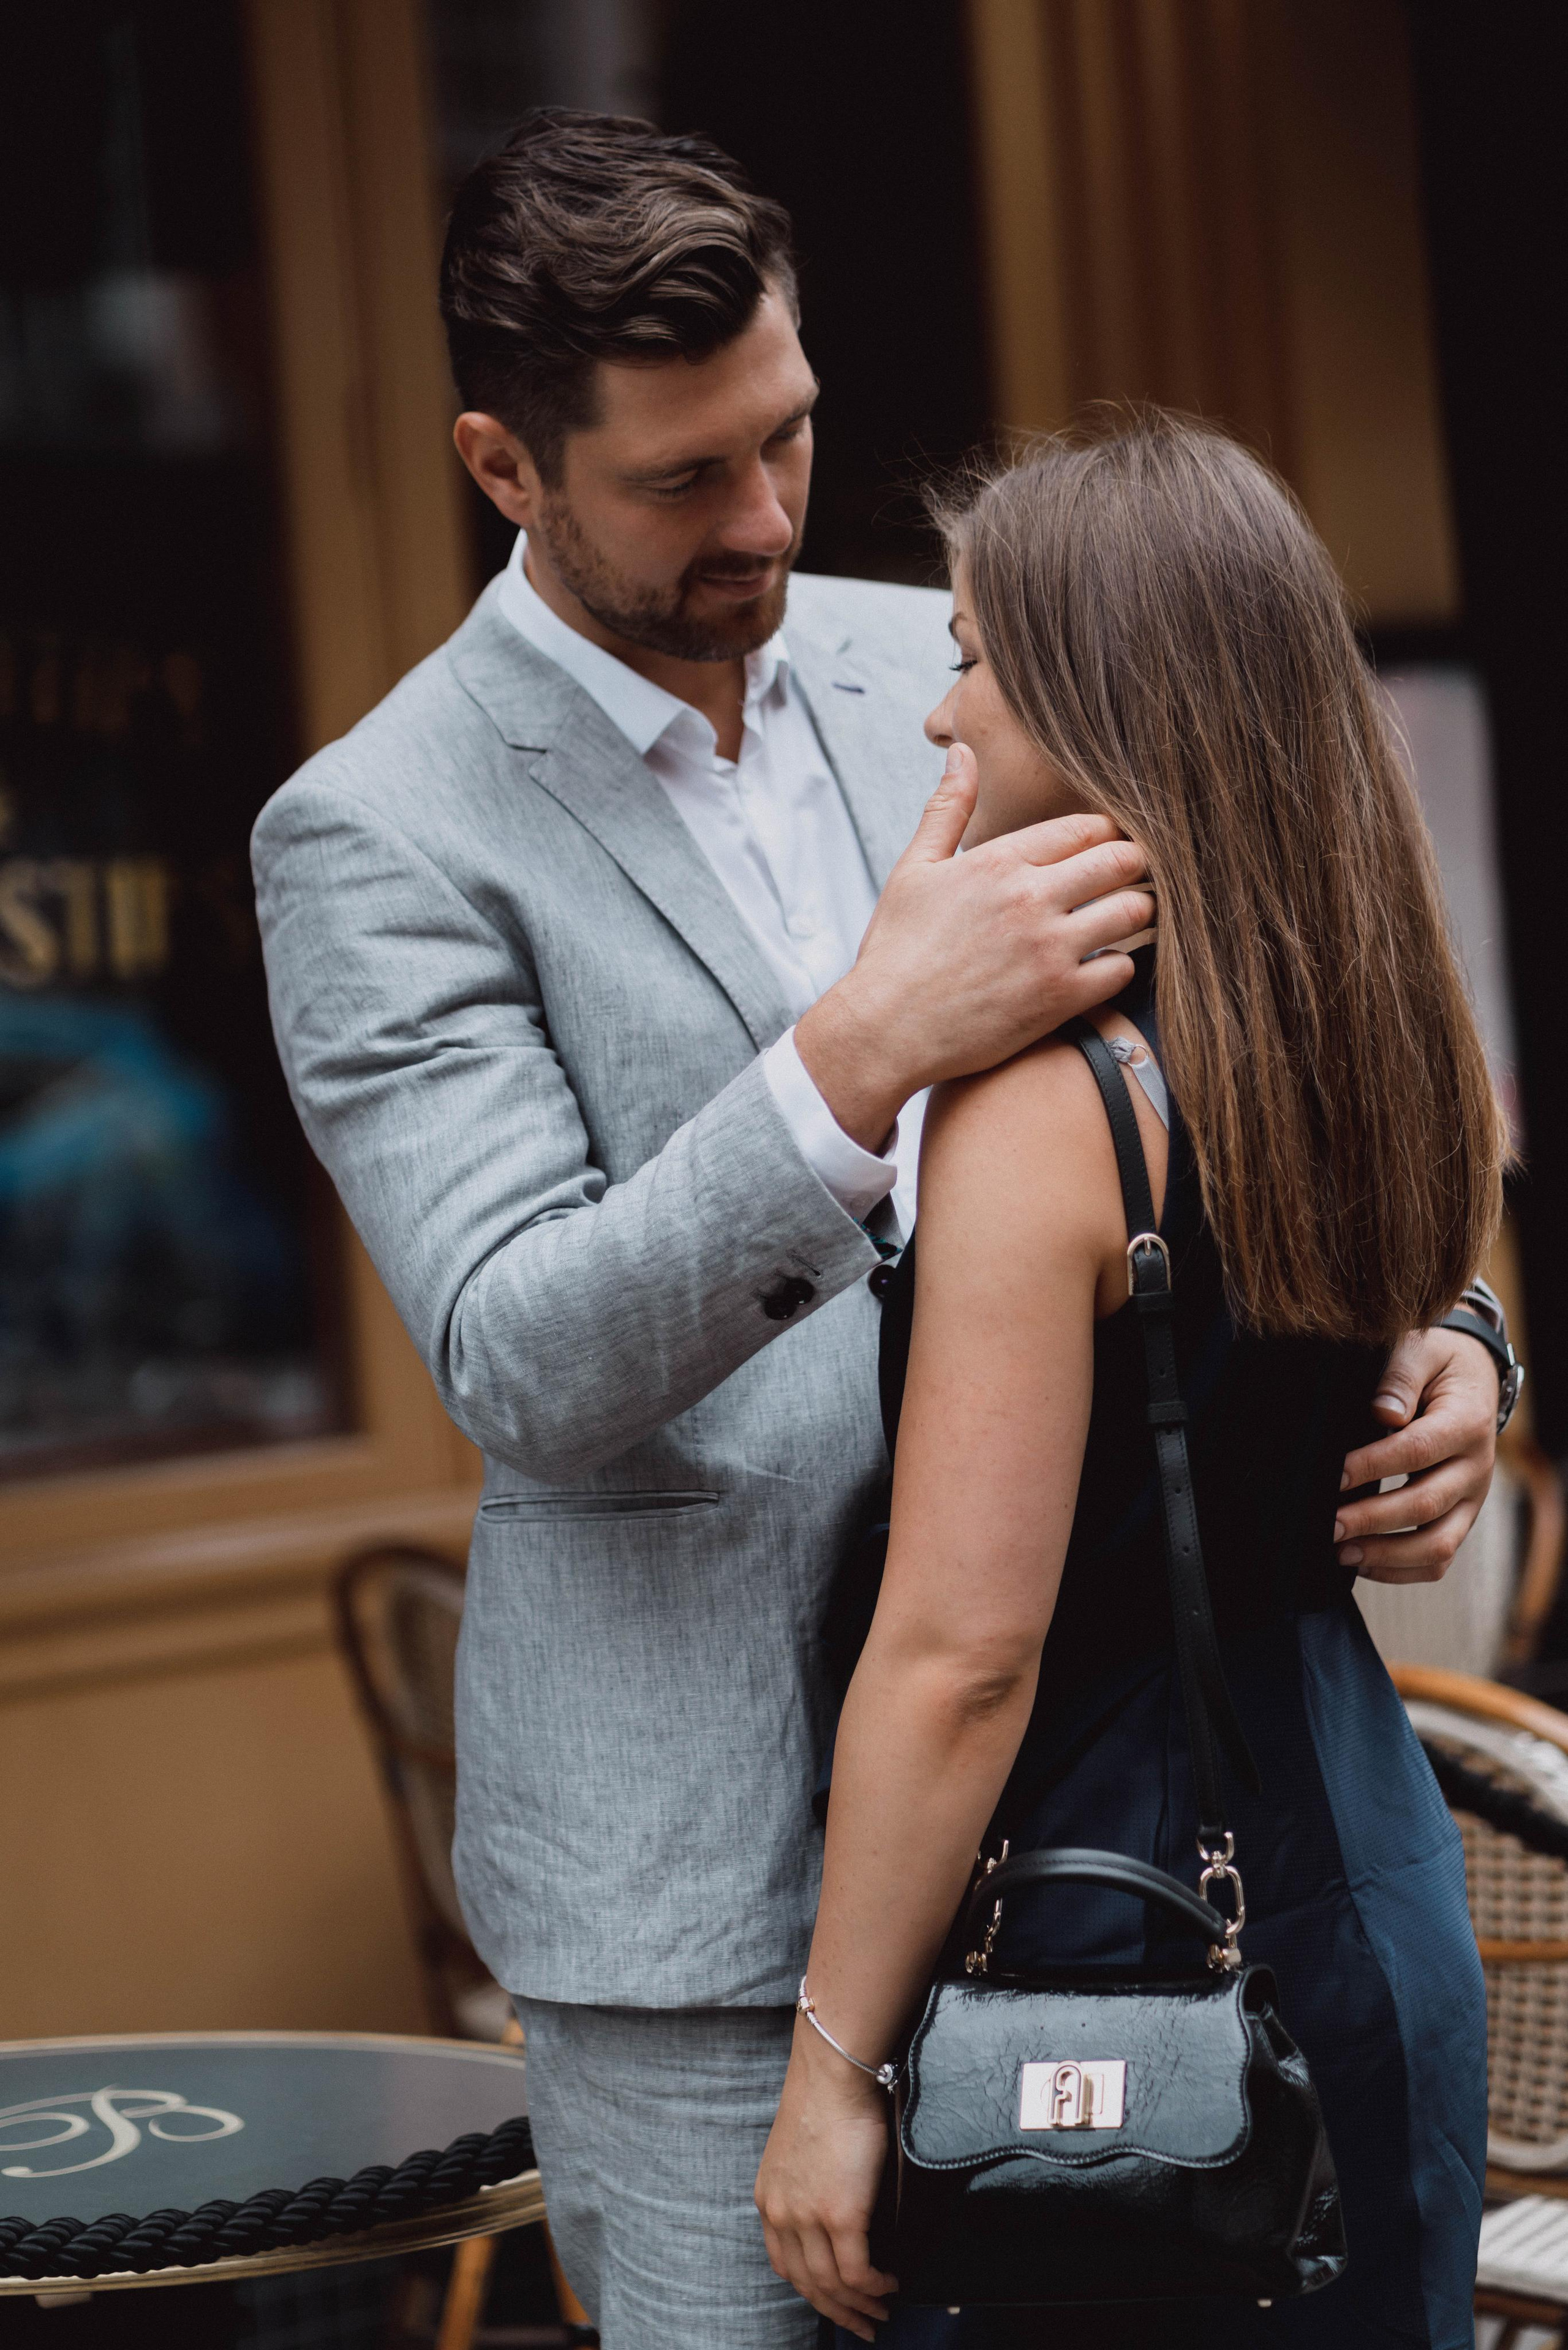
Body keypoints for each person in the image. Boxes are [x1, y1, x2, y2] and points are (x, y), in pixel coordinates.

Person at [252, 115, 1509, 2349]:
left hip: (1141, 1814)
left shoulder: (958, 648)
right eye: (679, 482)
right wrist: (852, 1068)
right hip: (723, 1902)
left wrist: (1450, 1336)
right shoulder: (370, 835)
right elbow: (520, 1355)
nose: (760, 523)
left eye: (790, 438)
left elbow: (1306, 1020)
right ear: (502, 464)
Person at [755, 415, 1509, 2349]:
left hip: (1123, 1932)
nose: (944, 718)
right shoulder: (1378, 996)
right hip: (1361, 1866)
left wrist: (834, 2068)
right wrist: (1477, 1349)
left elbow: (962, 1654)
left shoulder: (1047, 1105)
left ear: (1100, 698)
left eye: (976, 660)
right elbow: (1442, 1275)